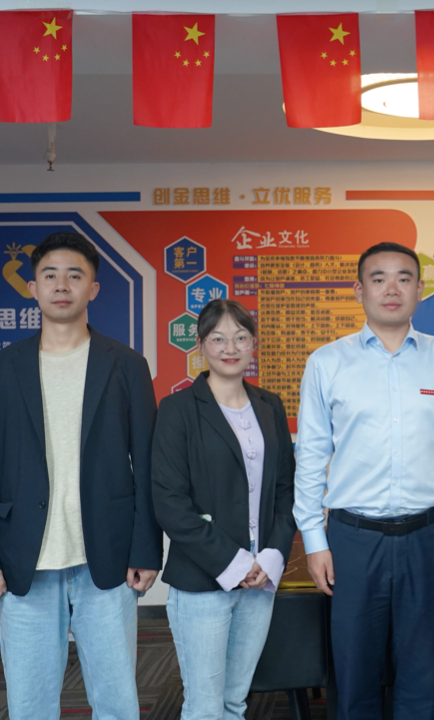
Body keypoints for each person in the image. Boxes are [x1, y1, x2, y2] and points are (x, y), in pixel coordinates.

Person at [0, 231, 162, 719]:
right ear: (32, 288)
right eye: (50, 275)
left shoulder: (127, 365)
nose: (61, 285)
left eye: (75, 276)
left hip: (107, 556)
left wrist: (145, 550)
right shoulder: (2, 368)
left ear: (92, 289)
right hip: (24, 557)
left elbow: (147, 463)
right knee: (30, 702)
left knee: (116, 699)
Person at [294, 242, 434, 720]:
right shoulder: (327, 362)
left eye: (403, 278)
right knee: (354, 671)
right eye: (378, 279)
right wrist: (314, 540)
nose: (391, 288)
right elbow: (310, 457)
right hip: (353, 540)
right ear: (360, 290)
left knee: (420, 671)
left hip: (428, 537)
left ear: (420, 289)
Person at [151, 299, 296, 720]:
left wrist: (271, 556)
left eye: (240, 337)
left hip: (260, 579)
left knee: (235, 702)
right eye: (218, 339)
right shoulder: (177, 410)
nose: (230, 348)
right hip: (203, 581)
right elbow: (170, 503)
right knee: (205, 706)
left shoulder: (270, 405)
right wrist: (235, 563)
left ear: (254, 344)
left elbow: (287, 490)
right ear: (200, 346)